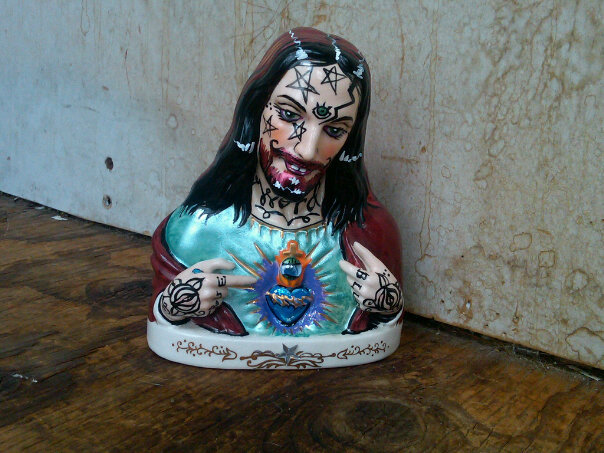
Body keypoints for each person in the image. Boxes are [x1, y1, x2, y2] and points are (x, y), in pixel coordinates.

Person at [149, 27, 403, 340]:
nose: (307, 150)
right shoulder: (195, 230)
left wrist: (387, 307)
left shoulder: (370, 234)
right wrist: (174, 306)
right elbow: (164, 326)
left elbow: (383, 332)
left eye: (334, 130)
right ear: (257, 107)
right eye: (289, 114)